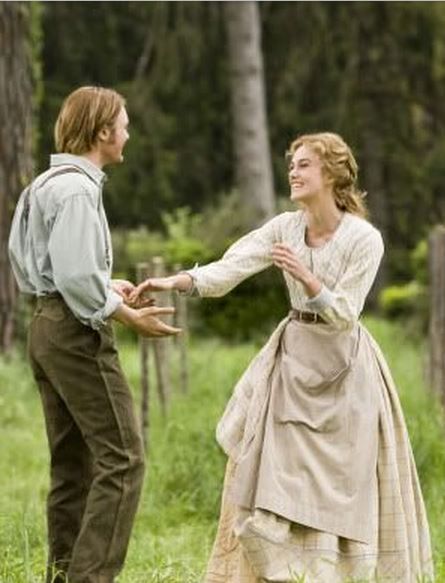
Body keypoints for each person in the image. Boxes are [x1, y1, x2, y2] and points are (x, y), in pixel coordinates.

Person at [130, 132, 433, 582]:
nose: (293, 171)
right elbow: (231, 266)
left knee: (340, 486)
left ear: (331, 173)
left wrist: (309, 280)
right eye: (292, 164)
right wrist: (175, 282)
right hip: (291, 364)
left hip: (345, 371)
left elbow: (346, 314)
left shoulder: (364, 239)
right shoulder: (285, 227)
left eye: (304, 164)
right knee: (273, 475)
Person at [8, 86, 180, 583]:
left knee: (72, 466)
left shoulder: (42, 184)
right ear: (104, 131)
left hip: (44, 325)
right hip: (74, 333)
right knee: (124, 460)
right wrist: (125, 314)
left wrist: (105, 285)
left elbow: (46, 266)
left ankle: (62, 578)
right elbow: (74, 278)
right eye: (124, 124)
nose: (128, 133)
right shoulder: (79, 190)